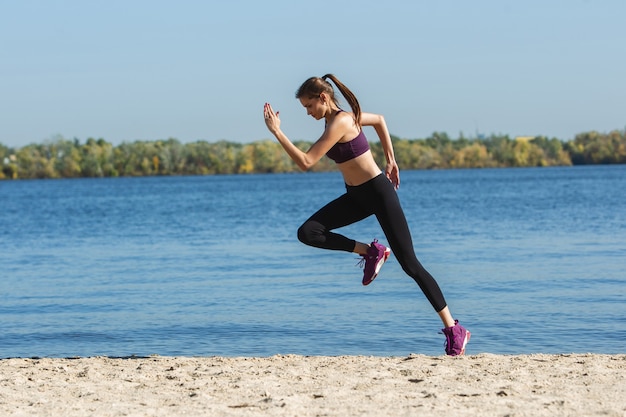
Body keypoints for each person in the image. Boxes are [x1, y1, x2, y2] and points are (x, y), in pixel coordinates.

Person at [263, 74, 470, 356]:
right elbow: (380, 120)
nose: (308, 112)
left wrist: (277, 131)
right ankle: (371, 251)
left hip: (378, 193)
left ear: (323, 98)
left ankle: (454, 328)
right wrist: (391, 158)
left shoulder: (342, 121)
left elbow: (306, 161)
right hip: (356, 197)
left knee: (411, 265)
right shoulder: (336, 120)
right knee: (308, 232)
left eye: (309, 106)